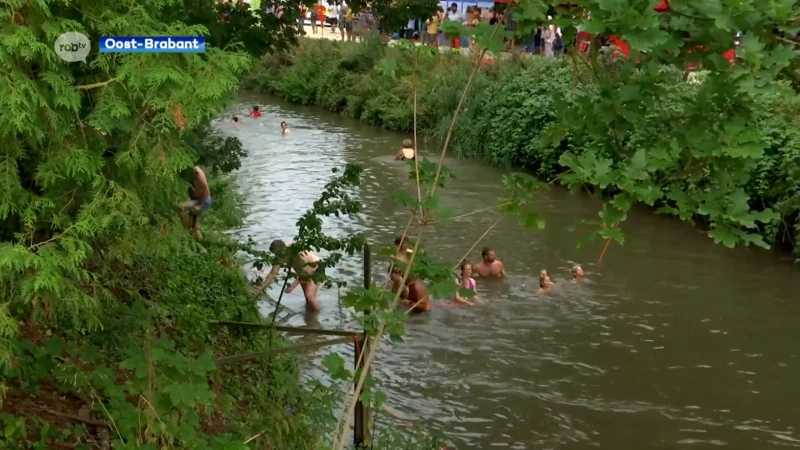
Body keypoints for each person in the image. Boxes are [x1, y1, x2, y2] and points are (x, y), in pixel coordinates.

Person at [254, 239, 327, 311]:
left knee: (310, 295)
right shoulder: (280, 256)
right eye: (276, 255)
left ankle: (316, 318)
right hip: (303, 272)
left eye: (279, 254)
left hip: (317, 268)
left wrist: (292, 286)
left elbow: (305, 274)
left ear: (284, 249)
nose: (279, 256)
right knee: (308, 299)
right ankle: (309, 316)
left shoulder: (297, 253)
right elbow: (273, 273)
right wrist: (261, 287)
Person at [178, 166, 212, 241]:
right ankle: (195, 235)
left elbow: (206, 191)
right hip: (196, 200)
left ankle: (197, 240)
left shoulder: (198, 174)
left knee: (191, 224)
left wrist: (200, 206)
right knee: (181, 209)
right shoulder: (191, 172)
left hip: (203, 201)